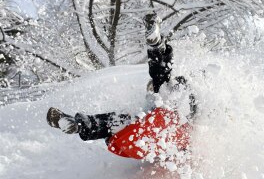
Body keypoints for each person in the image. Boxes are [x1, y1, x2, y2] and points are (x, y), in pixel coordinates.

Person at [47, 13, 197, 144]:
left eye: (150, 87)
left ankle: (80, 125)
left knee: (113, 122)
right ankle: (156, 46)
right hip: (163, 124)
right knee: (122, 118)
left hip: (170, 119)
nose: (149, 89)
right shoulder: (154, 104)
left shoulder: (169, 96)